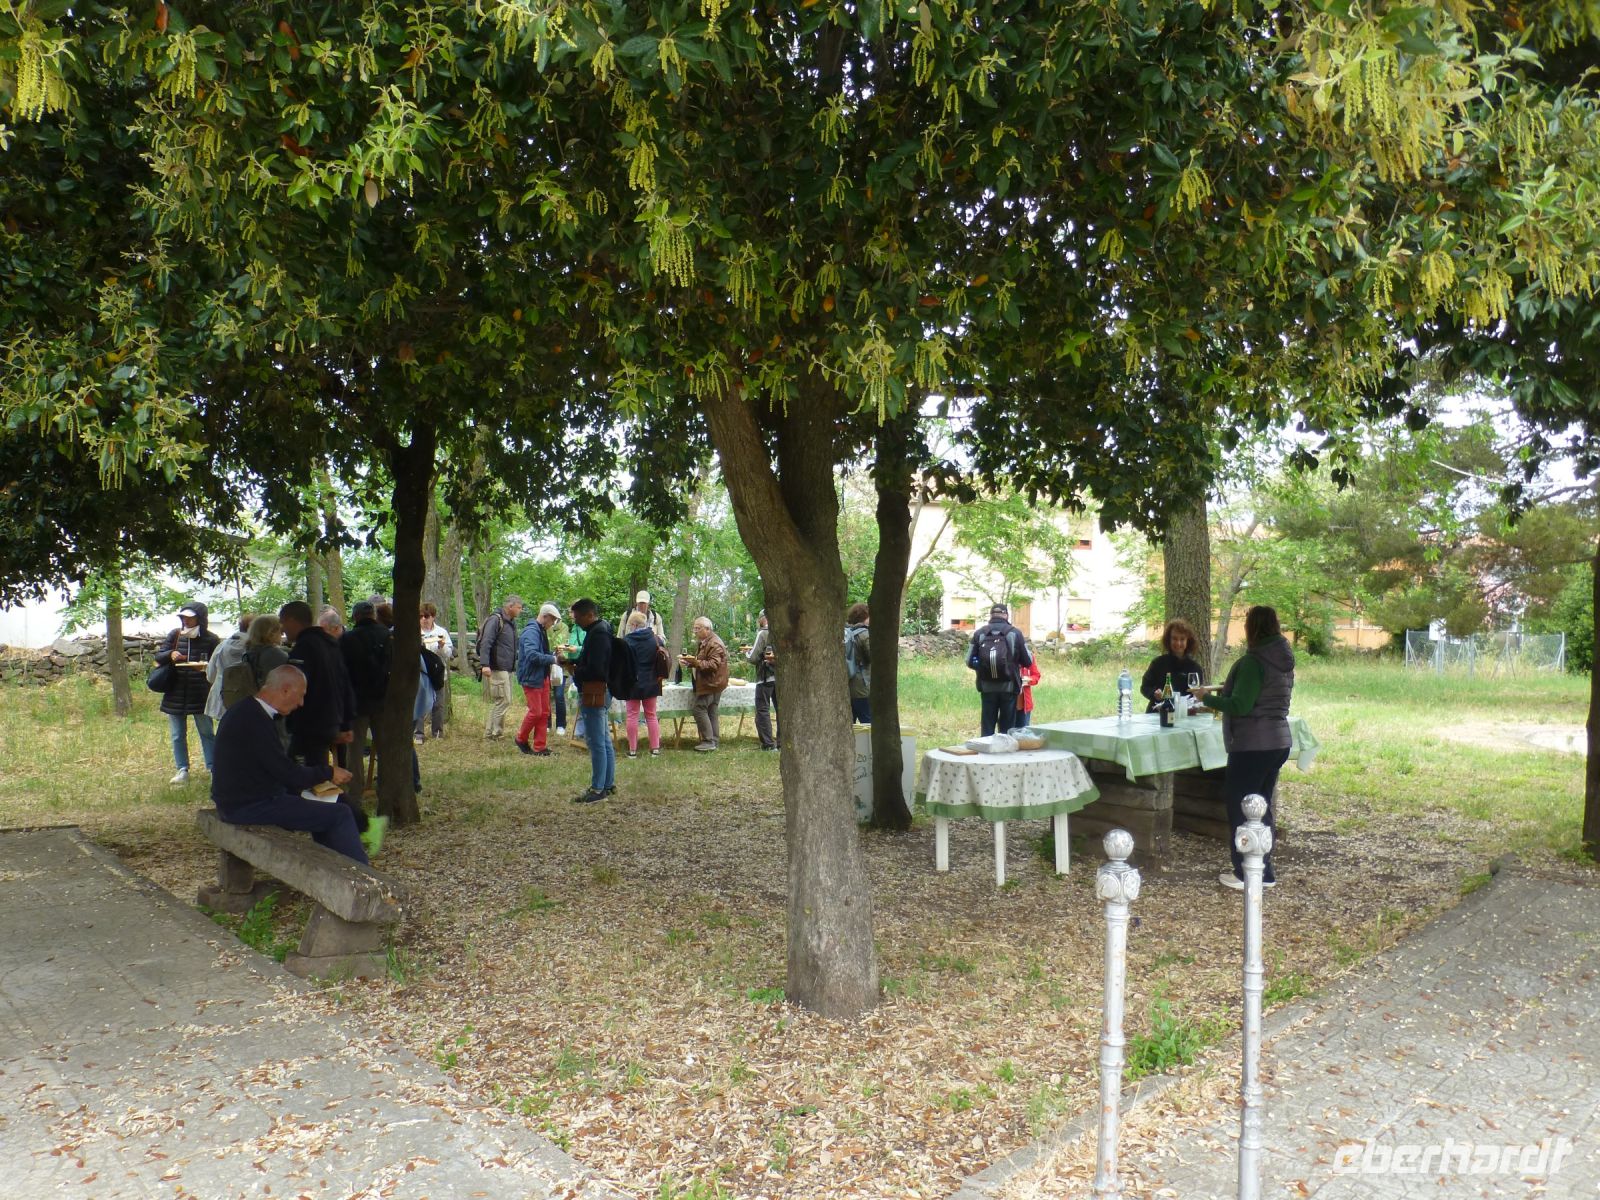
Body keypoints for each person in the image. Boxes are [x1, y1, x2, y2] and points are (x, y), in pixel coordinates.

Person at [210, 665, 367, 864]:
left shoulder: (246, 710)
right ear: (285, 690)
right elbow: (287, 773)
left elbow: (275, 768)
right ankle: (363, 878)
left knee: (329, 803)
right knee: (340, 814)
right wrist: (328, 772)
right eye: (300, 695)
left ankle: (334, 869)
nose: (301, 703)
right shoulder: (254, 720)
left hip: (243, 798)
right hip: (247, 806)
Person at [1195, 605, 1294, 891]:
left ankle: (1245, 871)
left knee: (1241, 806)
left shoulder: (1254, 661)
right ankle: (1265, 871)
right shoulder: (1282, 659)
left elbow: (1241, 705)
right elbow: (1262, 695)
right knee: (1261, 806)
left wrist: (1208, 700)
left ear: (1252, 628)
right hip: (1278, 740)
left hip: (1253, 743)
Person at [278, 601, 369, 841]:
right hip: (327, 721)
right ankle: (329, 824)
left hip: (310, 724)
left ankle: (354, 821)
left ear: (292, 621)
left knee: (306, 777)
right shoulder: (330, 645)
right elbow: (345, 684)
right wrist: (345, 722)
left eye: (283, 623)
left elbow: (296, 688)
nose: (283, 629)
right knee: (308, 777)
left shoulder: (304, 649)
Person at [156, 602, 220, 784]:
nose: (186, 620)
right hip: (175, 692)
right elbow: (159, 656)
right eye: (184, 617)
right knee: (177, 734)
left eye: (190, 617)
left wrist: (205, 668)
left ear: (200, 618)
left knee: (206, 732)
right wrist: (171, 654)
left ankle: (213, 768)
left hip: (200, 692)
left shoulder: (211, 639)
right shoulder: (175, 635)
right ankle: (182, 769)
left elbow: (216, 664)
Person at [341, 600, 392, 803]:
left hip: (357, 702)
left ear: (355, 617)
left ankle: (354, 796)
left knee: (354, 752)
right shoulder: (387, 636)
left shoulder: (347, 639)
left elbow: (341, 673)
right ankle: (387, 791)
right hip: (384, 700)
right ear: (373, 615)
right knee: (386, 748)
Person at [568, 598, 615, 802]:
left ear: (589, 615)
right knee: (604, 740)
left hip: (594, 692)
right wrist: (575, 662)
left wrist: (576, 671)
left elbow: (596, 669)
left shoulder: (598, 635)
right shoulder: (600, 631)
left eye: (578, 617)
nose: (576, 622)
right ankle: (608, 784)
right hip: (600, 691)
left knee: (596, 742)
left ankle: (597, 789)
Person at [966, 603, 1033, 737]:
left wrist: (983, 667)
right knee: (1007, 727)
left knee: (987, 724)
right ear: (1006, 615)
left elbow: (968, 661)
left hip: (986, 686)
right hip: (1009, 687)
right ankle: (1004, 754)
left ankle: (986, 752)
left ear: (991, 615)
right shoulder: (1015, 633)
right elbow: (1028, 661)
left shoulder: (979, 633)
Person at [514, 603, 560, 756]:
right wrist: (552, 659)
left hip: (541, 675)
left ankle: (540, 746)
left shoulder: (540, 630)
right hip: (531, 676)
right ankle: (521, 738)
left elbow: (540, 652)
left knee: (545, 712)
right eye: (552, 620)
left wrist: (552, 653)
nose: (552, 624)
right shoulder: (532, 631)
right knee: (536, 712)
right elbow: (532, 655)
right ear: (545, 616)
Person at [680, 616, 729, 752]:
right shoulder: (706, 641)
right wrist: (691, 663)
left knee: (699, 709)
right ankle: (714, 741)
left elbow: (713, 665)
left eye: (698, 628)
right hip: (713, 683)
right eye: (694, 628)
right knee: (711, 711)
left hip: (711, 684)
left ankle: (708, 741)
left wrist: (694, 662)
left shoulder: (714, 644)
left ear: (707, 629)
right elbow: (704, 662)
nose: (695, 631)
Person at [477, 594, 523, 739]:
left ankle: (494, 732)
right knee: (503, 700)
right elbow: (486, 642)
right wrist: (485, 664)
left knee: (502, 700)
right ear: (510, 607)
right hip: (498, 667)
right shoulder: (496, 620)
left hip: (507, 668)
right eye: (519, 607)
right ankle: (492, 732)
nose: (520, 610)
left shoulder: (509, 622)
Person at [621, 610, 666, 758]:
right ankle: (655, 749)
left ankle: (633, 750)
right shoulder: (655, 639)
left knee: (632, 715)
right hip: (652, 681)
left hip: (632, 682)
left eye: (630, 625)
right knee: (651, 715)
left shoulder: (626, 641)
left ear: (634, 625)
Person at [1141, 618, 1205, 712]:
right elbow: (1145, 687)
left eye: (1182, 639)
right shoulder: (1158, 663)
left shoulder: (1195, 668)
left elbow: (1197, 695)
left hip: (1184, 715)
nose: (1178, 643)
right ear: (1168, 640)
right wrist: (1154, 693)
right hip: (1158, 715)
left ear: (1188, 641)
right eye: (1174, 639)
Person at [205, 614, 253, 724]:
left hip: (222, 696)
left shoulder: (222, 645)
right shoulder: (255, 648)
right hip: (247, 697)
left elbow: (210, 675)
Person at [418, 603, 454, 739]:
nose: (423, 619)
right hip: (420, 673)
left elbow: (448, 654)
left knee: (438, 705)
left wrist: (442, 646)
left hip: (437, 673)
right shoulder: (414, 631)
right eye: (420, 616)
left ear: (433, 617)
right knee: (419, 703)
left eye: (426, 616)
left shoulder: (441, 632)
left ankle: (437, 733)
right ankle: (418, 734)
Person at [745, 609, 778, 751]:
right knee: (780, 710)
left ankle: (768, 744)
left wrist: (746, 653)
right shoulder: (783, 632)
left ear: (763, 619)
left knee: (762, 710)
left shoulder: (763, 633)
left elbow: (753, 658)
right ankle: (782, 742)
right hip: (781, 678)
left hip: (765, 677)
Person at [844, 603, 871, 724]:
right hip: (862, 687)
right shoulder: (864, 634)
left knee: (850, 725)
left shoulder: (845, 633)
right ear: (865, 617)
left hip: (847, 685)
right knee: (869, 722)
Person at [1015, 653, 1041, 728]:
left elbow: (1036, 675)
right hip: (1007, 703)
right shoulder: (1005, 653)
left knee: (1023, 733)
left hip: (1024, 704)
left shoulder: (1029, 655)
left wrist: (1029, 680)